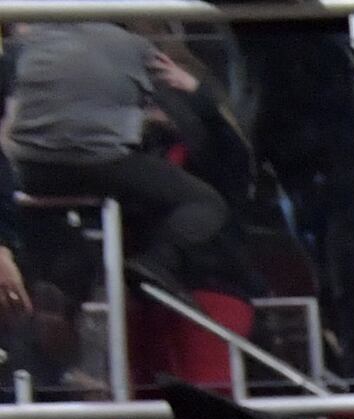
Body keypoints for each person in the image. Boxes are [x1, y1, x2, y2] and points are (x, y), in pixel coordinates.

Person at [4, 23, 231, 293]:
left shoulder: (21, 47)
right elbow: (188, 115)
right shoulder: (135, 47)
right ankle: (157, 261)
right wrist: (191, 91)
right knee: (205, 201)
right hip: (101, 164)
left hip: (28, 169)